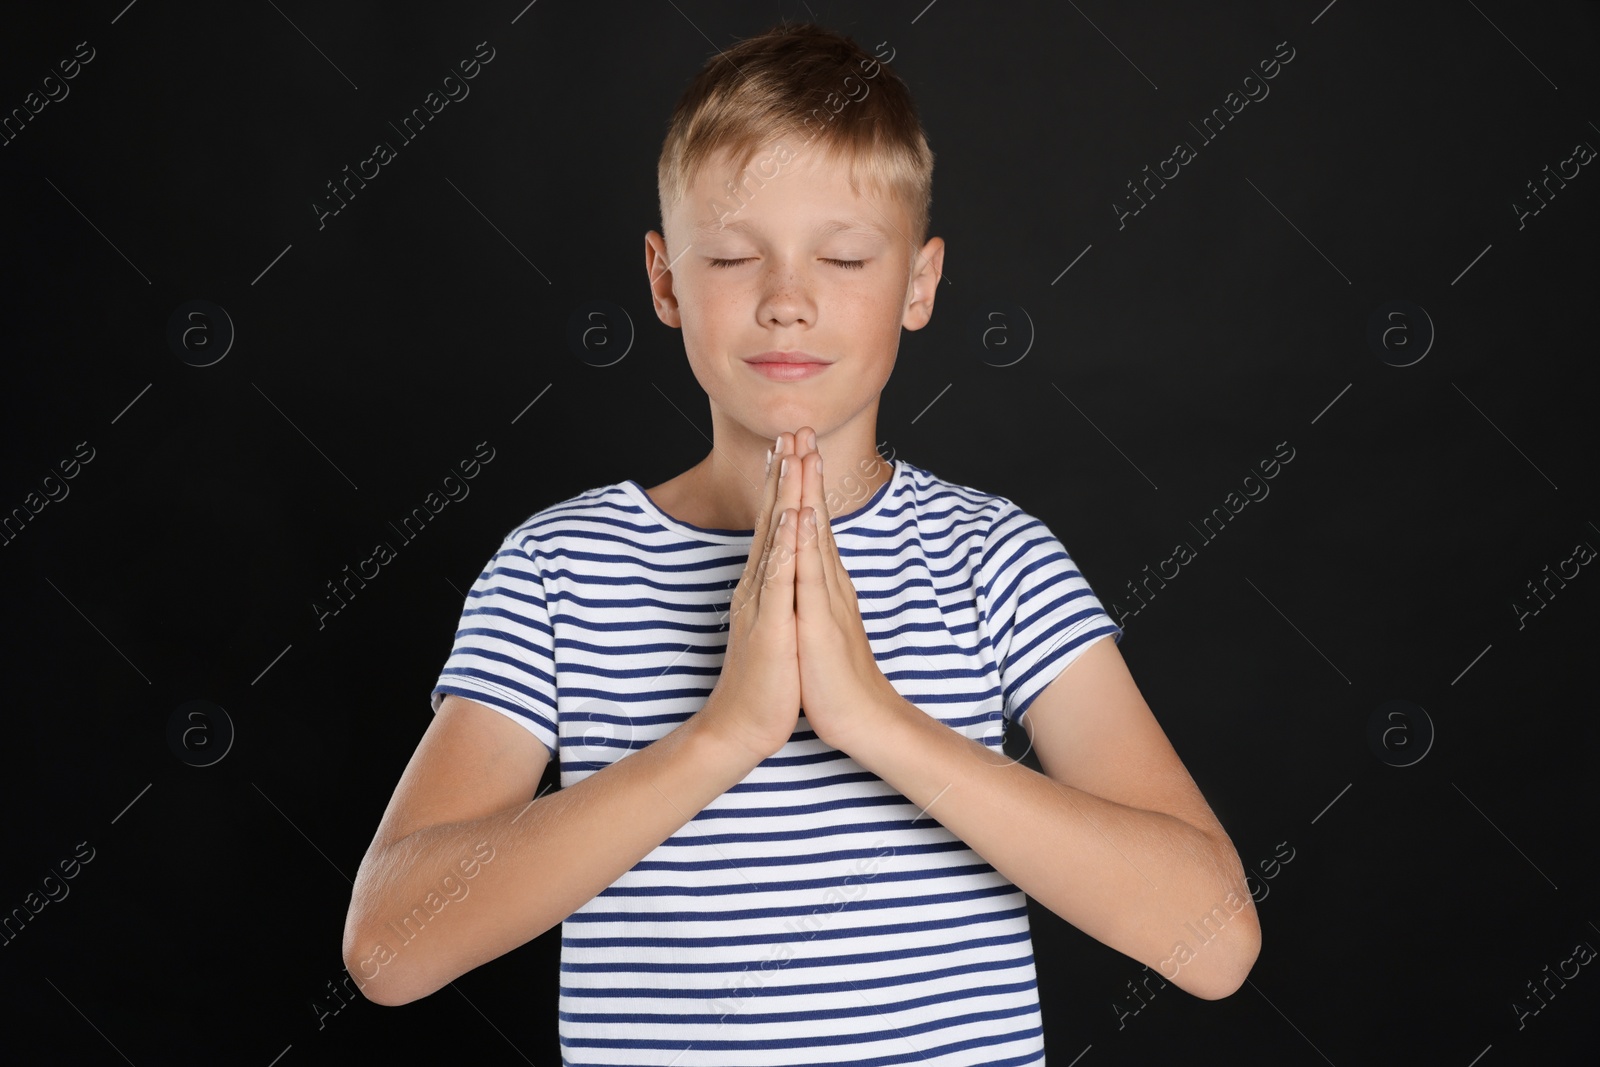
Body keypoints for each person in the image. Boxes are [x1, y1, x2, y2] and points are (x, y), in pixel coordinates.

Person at [342, 21, 1260, 1064]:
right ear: (666, 279)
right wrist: (725, 732)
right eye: (733, 255)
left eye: (843, 255)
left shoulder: (994, 560)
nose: (786, 299)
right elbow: (389, 947)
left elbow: (1215, 939)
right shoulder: (558, 569)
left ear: (918, 282)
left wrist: (869, 716)